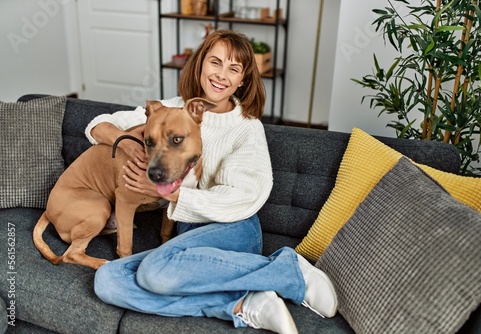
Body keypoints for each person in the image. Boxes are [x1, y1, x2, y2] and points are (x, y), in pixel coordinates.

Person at [86, 29, 337, 334]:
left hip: (234, 228)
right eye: (215, 62)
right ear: (201, 64)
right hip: (188, 234)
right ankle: (240, 305)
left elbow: (246, 197)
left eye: (233, 69)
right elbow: (98, 125)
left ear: (243, 80)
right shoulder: (170, 109)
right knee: (108, 281)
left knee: (155, 273)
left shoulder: (247, 128)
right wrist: (130, 144)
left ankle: (288, 270)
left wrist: (174, 194)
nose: (221, 75)